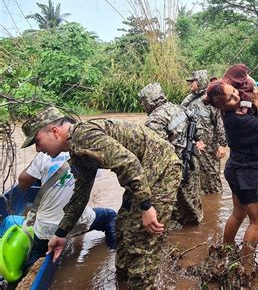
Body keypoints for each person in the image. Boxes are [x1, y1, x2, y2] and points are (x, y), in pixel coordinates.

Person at [21, 106, 181, 289]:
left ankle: (142, 283)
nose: (37, 149)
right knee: (122, 229)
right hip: (141, 175)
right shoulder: (77, 150)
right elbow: (81, 194)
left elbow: (129, 163)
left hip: (161, 169)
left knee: (142, 243)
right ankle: (123, 282)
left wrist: (146, 206)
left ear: (55, 131)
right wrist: (61, 233)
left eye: (38, 141)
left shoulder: (84, 136)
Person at [205, 79, 258, 269]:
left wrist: (250, 94)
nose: (237, 96)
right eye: (231, 97)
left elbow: (240, 75)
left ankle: (226, 252)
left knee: (238, 213)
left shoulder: (232, 113)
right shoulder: (239, 121)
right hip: (248, 174)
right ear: (222, 105)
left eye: (235, 92)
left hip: (235, 169)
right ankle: (246, 268)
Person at [18, 151, 117, 274]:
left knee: (37, 252)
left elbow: (22, 184)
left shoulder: (43, 156)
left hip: (48, 229)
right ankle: (113, 254)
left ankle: (29, 271)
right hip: (78, 221)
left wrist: (36, 160)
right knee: (110, 215)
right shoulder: (85, 152)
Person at [139, 83, 205, 226]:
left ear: (149, 100)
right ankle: (196, 233)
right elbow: (197, 131)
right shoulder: (180, 108)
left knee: (176, 209)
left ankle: (183, 236)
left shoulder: (155, 119)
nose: (142, 105)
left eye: (143, 101)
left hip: (175, 168)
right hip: (193, 161)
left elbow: (159, 151)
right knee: (194, 204)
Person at [182, 70, 227, 194]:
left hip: (210, 149)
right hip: (194, 147)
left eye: (193, 81)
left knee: (212, 178)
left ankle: (216, 204)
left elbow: (220, 123)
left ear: (200, 82)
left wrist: (223, 145)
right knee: (196, 178)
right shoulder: (189, 101)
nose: (190, 84)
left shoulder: (211, 100)